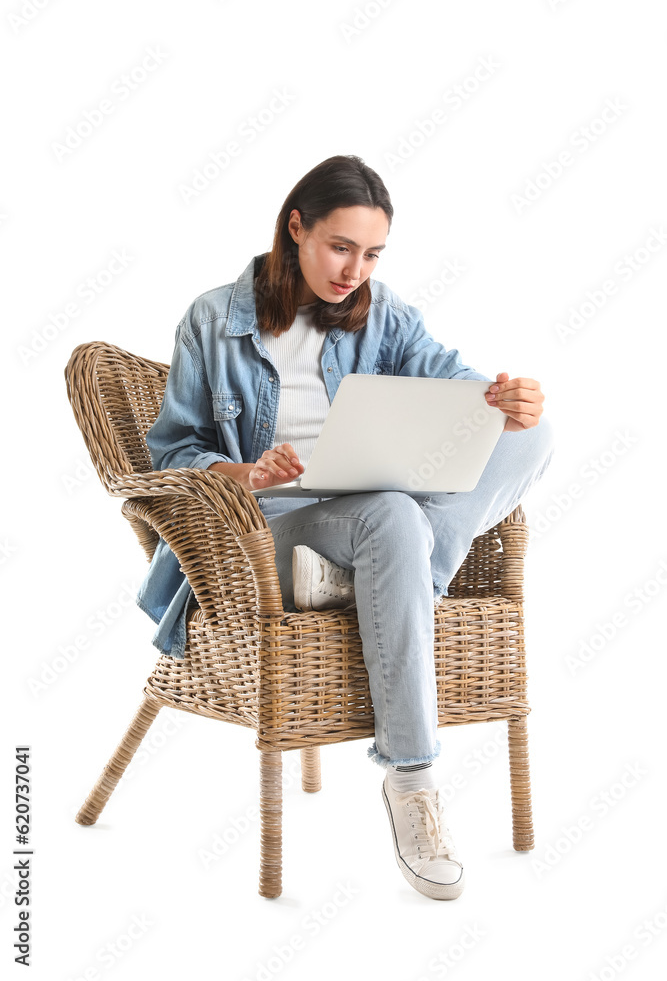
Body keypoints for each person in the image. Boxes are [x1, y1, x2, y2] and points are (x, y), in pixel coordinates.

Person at [139, 154, 554, 901]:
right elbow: (171, 451)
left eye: (371, 254)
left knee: (532, 435)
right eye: (339, 247)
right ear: (294, 227)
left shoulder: (383, 313)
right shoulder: (213, 318)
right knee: (394, 514)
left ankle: (388, 578)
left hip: (360, 521)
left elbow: (453, 383)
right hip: (264, 537)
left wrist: (505, 397)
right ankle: (412, 778)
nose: (353, 270)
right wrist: (246, 474)